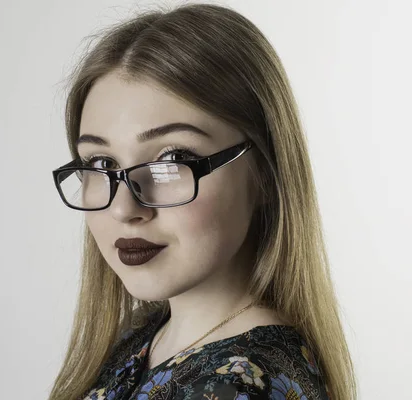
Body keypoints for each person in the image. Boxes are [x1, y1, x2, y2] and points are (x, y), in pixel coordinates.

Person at [49, 3, 357, 400]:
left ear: (265, 173)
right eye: (102, 162)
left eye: (173, 159)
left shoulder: (240, 384)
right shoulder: (143, 337)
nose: (124, 209)